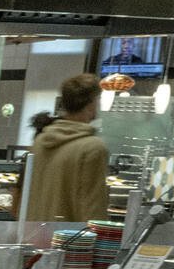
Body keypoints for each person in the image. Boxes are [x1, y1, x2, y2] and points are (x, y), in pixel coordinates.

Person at [22, 73, 112, 223]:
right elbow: (92, 207)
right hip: (69, 241)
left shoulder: (39, 141)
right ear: (91, 104)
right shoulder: (92, 148)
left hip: (33, 238)